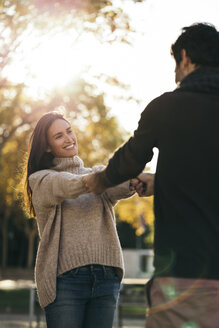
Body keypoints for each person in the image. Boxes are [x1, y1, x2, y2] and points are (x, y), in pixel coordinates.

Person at [83, 23, 219, 327]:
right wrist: (162, 181)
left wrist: (99, 180)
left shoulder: (167, 107)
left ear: (184, 57)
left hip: (186, 277)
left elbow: (129, 161)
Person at [22, 111, 144, 328]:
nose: (69, 139)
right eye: (59, 136)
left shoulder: (98, 174)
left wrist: (137, 180)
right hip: (65, 282)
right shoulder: (40, 180)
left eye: (69, 131)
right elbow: (65, 184)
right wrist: (99, 180)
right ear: (47, 146)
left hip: (106, 278)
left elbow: (119, 184)